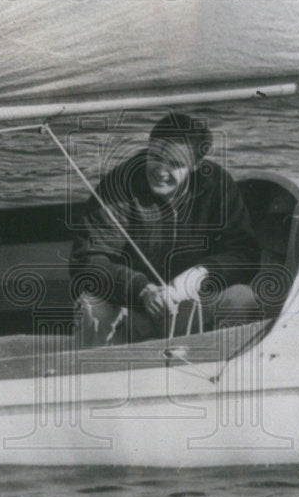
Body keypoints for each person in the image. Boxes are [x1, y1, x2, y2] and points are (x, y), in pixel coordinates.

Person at [70, 112, 263, 346]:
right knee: (91, 306)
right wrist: (141, 289)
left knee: (242, 298)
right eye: (156, 157)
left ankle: (218, 376)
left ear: (195, 165)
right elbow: (87, 261)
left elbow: (245, 253)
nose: (161, 171)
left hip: (190, 308)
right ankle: (97, 378)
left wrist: (199, 276)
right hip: (133, 310)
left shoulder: (218, 185)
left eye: (175, 164)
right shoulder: (118, 186)